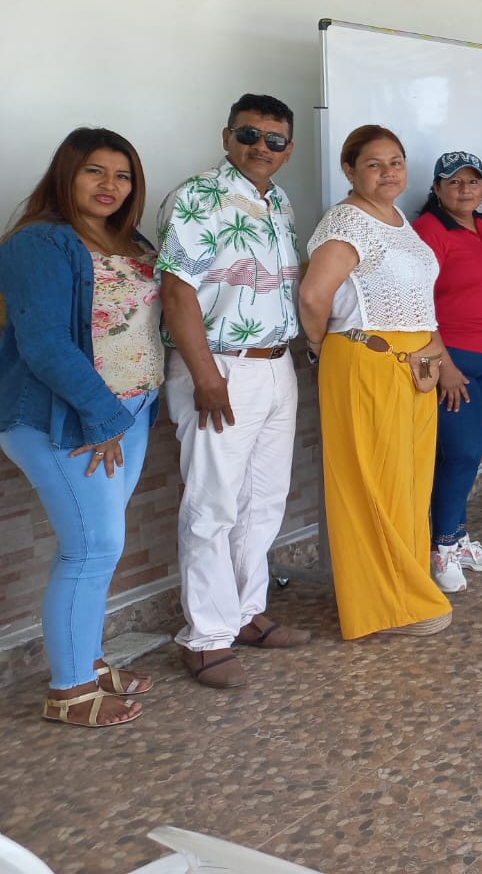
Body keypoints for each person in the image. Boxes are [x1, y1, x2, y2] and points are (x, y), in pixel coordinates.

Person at [0, 128, 161, 727]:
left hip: (128, 413)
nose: (110, 185)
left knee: (100, 548)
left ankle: (88, 662)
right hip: (67, 418)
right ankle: (69, 690)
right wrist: (102, 416)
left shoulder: (130, 241)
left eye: (122, 175)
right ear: (66, 174)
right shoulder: (39, 242)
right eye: (95, 171)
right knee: (92, 547)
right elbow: (43, 342)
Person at [159, 94, 312, 690]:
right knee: (212, 506)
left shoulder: (280, 202)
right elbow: (178, 292)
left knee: (264, 499)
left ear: (288, 149)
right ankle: (205, 637)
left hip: (275, 365)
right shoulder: (197, 196)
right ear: (227, 137)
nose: (261, 147)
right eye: (249, 135)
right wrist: (205, 376)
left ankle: (246, 613)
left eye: (275, 140)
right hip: (219, 367)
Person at [300, 126, 453, 639]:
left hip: (413, 366)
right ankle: (385, 605)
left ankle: (407, 587)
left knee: (409, 482)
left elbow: (417, 301)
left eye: (396, 162)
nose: (388, 172)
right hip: (367, 358)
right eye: (374, 164)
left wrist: (434, 353)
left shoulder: (398, 219)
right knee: (374, 481)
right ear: (349, 170)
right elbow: (313, 297)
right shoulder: (347, 221)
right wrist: (322, 348)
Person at [413, 151, 482, 592]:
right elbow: (417, 305)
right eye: (454, 182)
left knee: (466, 453)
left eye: (472, 181)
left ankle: (458, 537)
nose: (465, 189)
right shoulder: (428, 231)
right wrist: (444, 366)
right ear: (437, 188)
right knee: (461, 453)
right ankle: (442, 549)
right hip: (455, 363)